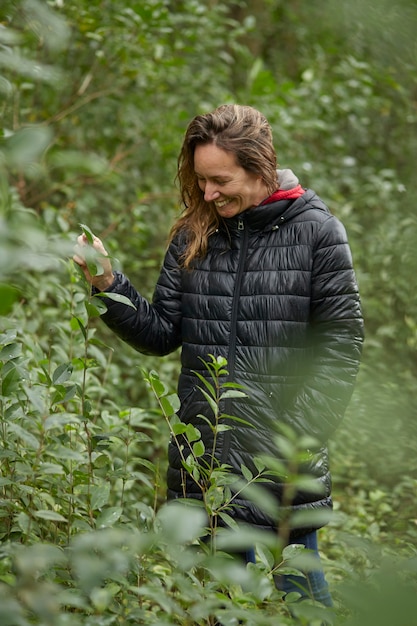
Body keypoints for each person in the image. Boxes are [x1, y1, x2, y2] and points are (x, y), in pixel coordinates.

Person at [74, 104, 364, 606]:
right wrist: (107, 283)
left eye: (219, 180)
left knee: (302, 605)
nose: (207, 193)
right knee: (213, 606)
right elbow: (161, 332)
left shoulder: (318, 234)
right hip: (204, 463)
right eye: (200, 180)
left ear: (260, 168)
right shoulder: (194, 234)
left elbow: (340, 352)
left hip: (281, 470)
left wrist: (292, 447)